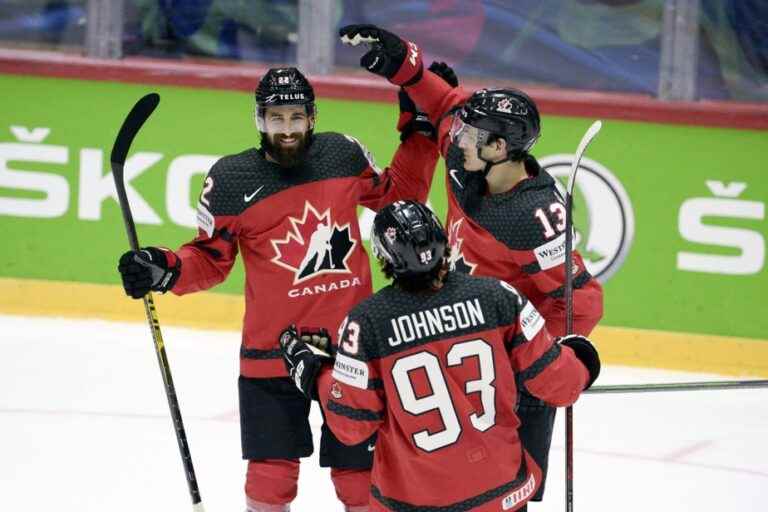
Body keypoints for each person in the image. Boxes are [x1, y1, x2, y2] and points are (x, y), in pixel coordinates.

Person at [116, 67, 439, 512]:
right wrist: (165, 268)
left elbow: (397, 196)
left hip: (349, 355)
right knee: (270, 478)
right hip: (273, 354)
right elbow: (209, 260)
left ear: (312, 116)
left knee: (359, 480)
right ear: (259, 119)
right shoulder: (231, 180)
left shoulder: (343, 155)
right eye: (275, 119)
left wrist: (422, 135)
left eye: (295, 118)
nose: (286, 130)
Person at [337, 24, 605, 503]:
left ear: (500, 148)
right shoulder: (470, 160)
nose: (455, 138)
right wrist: (404, 65)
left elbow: (580, 300)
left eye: (469, 134)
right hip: (453, 341)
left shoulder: (533, 218)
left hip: (506, 362)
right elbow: (443, 104)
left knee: (506, 493)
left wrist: (539, 366)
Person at [278, 200, 601, 512]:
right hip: (501, 492)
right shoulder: (499, 297)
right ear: (443, 240)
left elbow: (352, 425)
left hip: (413, 501)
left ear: (383, 255)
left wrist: (316, 374)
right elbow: (561, 384)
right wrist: (581, 358)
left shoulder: (366, 323)